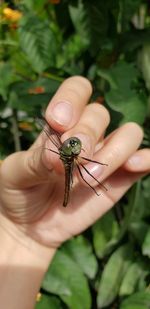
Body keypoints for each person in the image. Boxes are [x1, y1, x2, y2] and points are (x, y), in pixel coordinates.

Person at [0, 76, 149, 309]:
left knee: (89, 169)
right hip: (35, 217)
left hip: (33, 227)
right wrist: (13, 234)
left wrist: (17, 236)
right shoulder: (60, 158)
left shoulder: (74, 155)